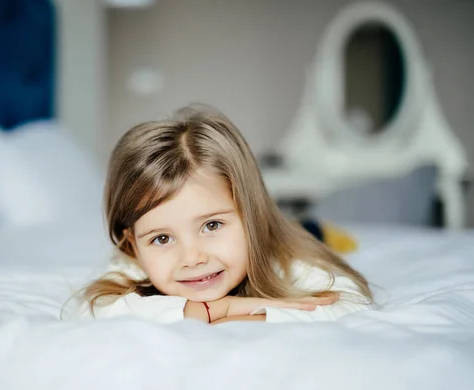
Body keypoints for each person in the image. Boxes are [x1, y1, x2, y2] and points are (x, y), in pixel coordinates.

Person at [78, 105, 373, 324]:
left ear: (250, 215)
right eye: (163, 238)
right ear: (132, 244)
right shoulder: (132, 262)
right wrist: (216, 310)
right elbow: (91, 310)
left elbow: (351, 304)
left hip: (293, 230)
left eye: (212, 224)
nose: (192, 259)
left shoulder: (287, 260)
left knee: (311, 232)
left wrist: (247, 318)